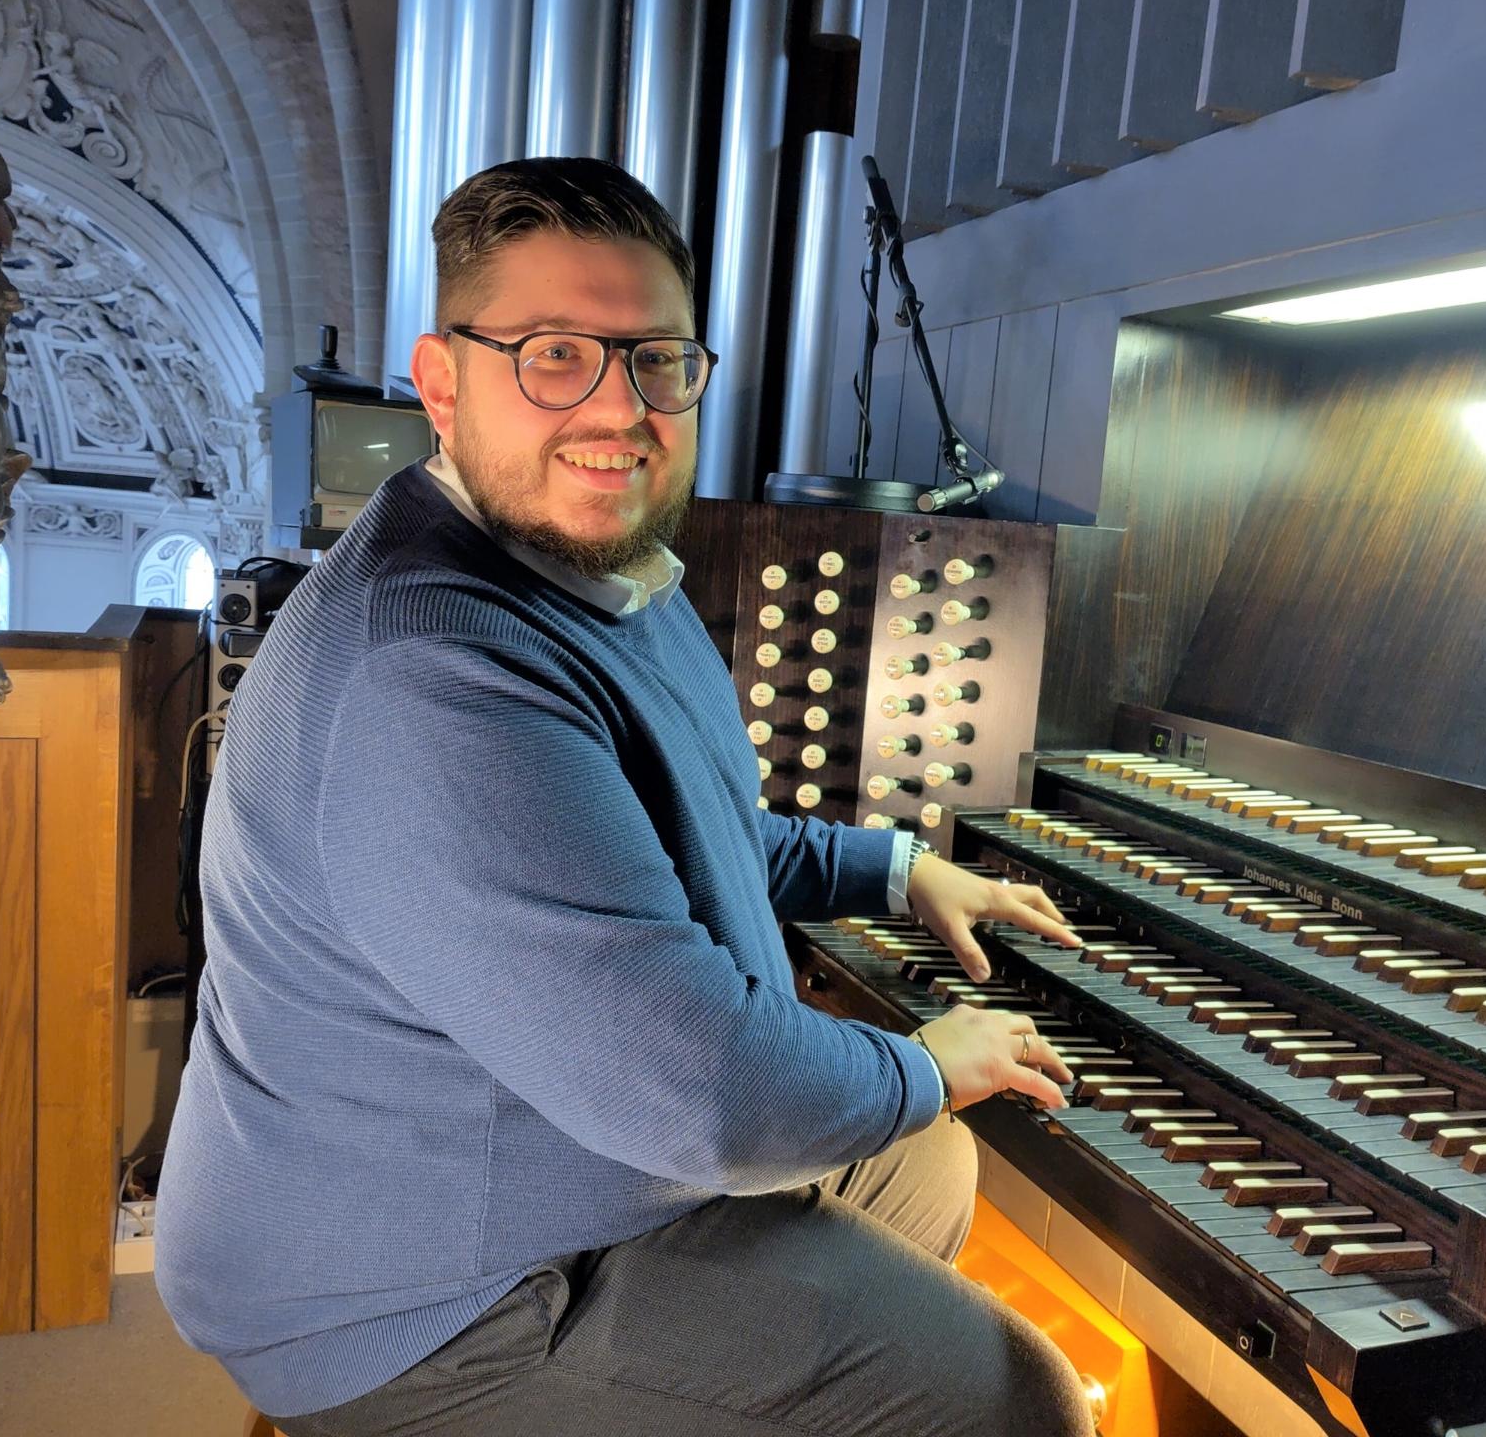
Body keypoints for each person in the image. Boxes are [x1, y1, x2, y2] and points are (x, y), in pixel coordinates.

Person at [157, 156, 1096, 1437]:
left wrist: (898, 870)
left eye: (656, 361)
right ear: (442, 383)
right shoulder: (432, 670)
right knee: (1015, 1400)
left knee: (925, 1165)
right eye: (554, 355)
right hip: (423, 1291)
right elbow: (701, 1093)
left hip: (575, 1149)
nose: (618, 409)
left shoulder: (596, 567)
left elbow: (679, 835)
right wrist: (924, 1061)